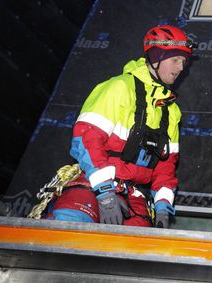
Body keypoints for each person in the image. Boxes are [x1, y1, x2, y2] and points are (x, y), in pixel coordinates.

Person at [45, 25, 193, 228]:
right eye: (175, 60)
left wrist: (162, 207)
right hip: (94, 186)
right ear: (156, 57)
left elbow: (165, 167)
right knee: (70, 221)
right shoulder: (118, 88)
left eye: (184, 61)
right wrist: (105, 194)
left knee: (142, 250)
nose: (181, 68)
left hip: (135, 198)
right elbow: (87, 139)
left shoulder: (171, 111)